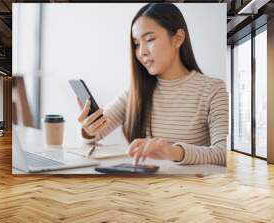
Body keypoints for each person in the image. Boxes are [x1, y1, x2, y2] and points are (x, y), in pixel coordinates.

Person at [76, 3, 229, 166]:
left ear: (178, 38)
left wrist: (171, 151)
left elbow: (224, 153)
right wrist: (88, 130)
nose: (141, 52)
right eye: (136, 44)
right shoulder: (133, 94)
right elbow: (94, 136)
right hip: (143, 187)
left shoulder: (213, 90)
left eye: (149, 39)